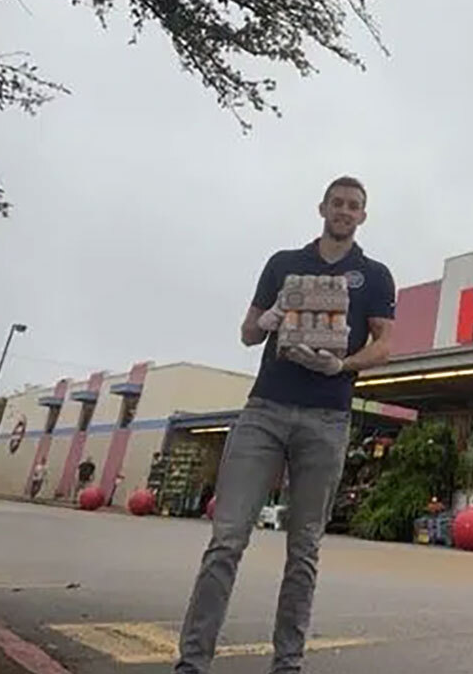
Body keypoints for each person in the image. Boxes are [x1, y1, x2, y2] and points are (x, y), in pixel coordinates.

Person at [175, 175, 396, 674]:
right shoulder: (283, 264)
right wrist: (270, 318)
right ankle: (192, 662)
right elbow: (247, 334)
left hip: (328, 417)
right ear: (322, 207)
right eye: (337, 202)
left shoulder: (375, 276)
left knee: (304, 549)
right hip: (265, 411)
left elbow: (385, 345)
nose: (344, 211)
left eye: (353, 205)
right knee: (226, 540)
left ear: (363, 216)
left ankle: (288, 664)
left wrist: (342, 365)